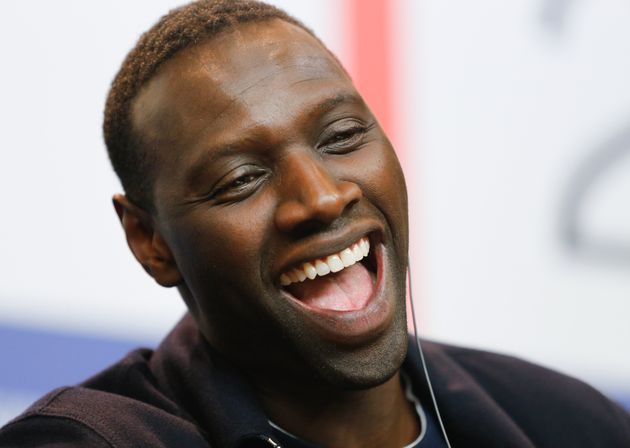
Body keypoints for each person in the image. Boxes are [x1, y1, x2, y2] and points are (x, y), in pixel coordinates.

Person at [1, 1, 629, 447]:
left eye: (343, 135)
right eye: (241, 179)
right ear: (150, 241)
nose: (323, 198)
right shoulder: (93, 441)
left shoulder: (567, 420)